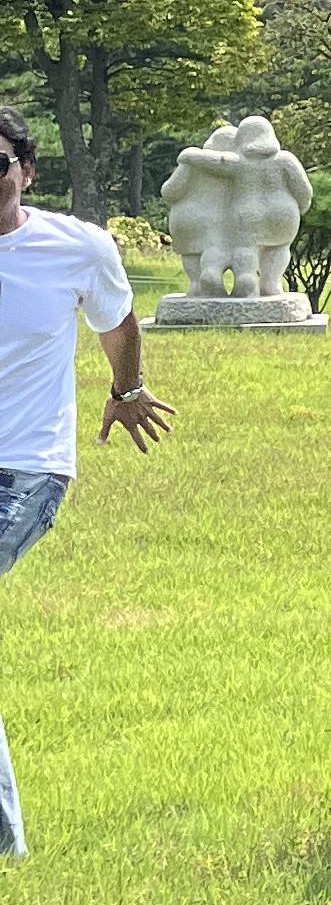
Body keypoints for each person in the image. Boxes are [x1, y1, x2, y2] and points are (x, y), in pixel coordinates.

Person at [0, 101, 173, 858]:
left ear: (26, 173)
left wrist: (127, 390)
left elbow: (119, 323)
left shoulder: (76, 247)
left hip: (26, 469)